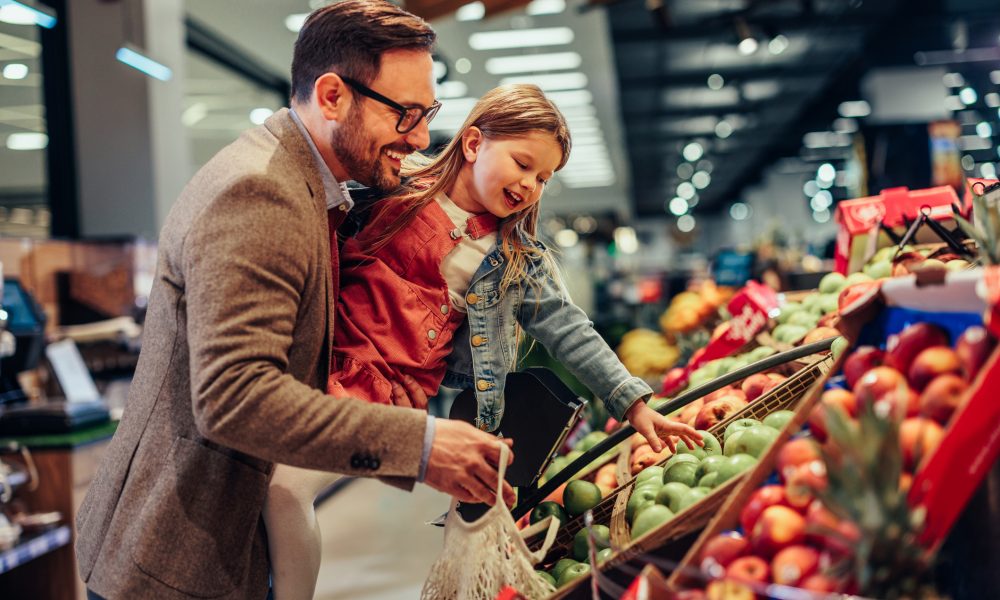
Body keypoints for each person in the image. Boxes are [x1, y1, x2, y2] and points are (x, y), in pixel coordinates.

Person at [75, 3, 514, 599]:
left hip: (210, 543)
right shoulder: (262, 193)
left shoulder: (309, 186)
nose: (419, 137)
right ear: (332, 96)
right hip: (177, 562)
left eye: (427, 112)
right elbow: (236, 396)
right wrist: (422, 445)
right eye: (405, 114)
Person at [264, 84, 703, 600]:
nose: (531, 184)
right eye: (522, 163)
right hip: (310, 361)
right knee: (259, 486)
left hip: (380, 396)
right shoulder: (393, 186)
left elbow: (570, 330)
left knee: (285, 489)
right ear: (473, 143)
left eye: (544, 177)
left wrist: (634, 403)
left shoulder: (517, 260)